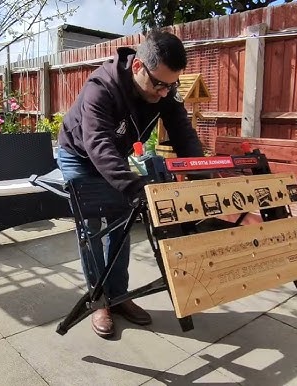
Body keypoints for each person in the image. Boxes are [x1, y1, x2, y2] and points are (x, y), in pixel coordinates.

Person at [57, 30, 205, 339]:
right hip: (80, 155)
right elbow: (97, 144)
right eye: (159, 84)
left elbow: (182, 130)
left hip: (113, 155)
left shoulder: (164, 88)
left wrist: (201, 174)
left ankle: (119, 297)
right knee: (92, 229)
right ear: (138, 67)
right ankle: (98, 301)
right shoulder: (102, 86)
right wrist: (137, 188)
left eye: (172, 85)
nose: (165, 93)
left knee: (121, 223)